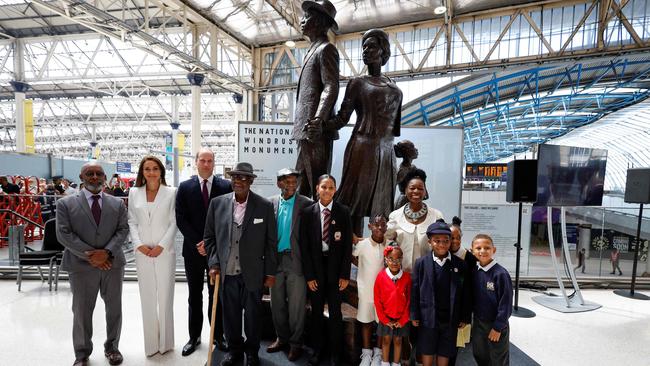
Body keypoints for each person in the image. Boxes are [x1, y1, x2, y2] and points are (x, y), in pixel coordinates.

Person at [327, 28, 402, 236]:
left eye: (372, 46)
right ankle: (351, 250)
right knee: (355, 204)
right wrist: (321, 124)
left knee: (382, 207)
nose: (366, 51)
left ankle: (382, 254)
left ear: (383, 51)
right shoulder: (357, 83)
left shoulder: (395, 88)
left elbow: (394, 129)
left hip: (386, 152)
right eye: (364, 47)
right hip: (362, 147)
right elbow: (342, 118)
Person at [55, 162, 129, 366]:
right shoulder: (65, 204)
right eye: (90, 173)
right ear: (81, 176)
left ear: (105, 178)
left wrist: (106, 253)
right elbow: (63, 234)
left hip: (112, 264)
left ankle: (112, 348)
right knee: (81, 310)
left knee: (114, 308)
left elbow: (123, 230)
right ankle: (82, 353)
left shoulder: (117, 203)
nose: (94, 177)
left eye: (99, 173)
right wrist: (91, 255)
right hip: (80, 266)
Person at [205, 162, 278, 366]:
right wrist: (213, 262)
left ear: (251, 181)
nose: (238, 181)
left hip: (253, 273)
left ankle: (252, 352)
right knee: (230, 316)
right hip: (226, 274)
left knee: (253, 317)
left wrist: (270, 272)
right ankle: (235, 351)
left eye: (244, 178)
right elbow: (210, 238)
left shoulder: (264, 206)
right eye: (235, 177)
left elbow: (271, 242)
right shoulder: (217, 204)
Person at [175, 147, 232, 355]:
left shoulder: (226, 186)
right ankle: (194, 337)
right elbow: (181, 218)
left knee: (216, 295)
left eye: (210, 161)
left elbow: (228, 219)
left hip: (217, 253)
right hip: (193, 251)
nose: (206, 164)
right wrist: (198, 242)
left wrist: (211, 245)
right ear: (196, 162)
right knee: (194, 295)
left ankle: (218, 336)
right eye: (203, 160)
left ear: (214, 163)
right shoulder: (184, 187)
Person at [299, 174, 353, 366]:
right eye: (324, 187)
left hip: (336, 270)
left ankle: (335, 353)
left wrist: (345, 274)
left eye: (331, 188)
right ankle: (316, 350)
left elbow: (347, 247)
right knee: (316, 312)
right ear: (317, 188)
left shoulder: (343, 212)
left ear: (335, 190)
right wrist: (310, 275)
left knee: (336, 313)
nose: (327, 191)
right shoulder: (307, 213)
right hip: (316, 269)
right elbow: (303, 247)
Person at [127, 156, 178, 356]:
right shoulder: (133, 192)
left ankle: (166, 343)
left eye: (155, 168)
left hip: (164, 252)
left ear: (161, 172)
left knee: (165, 297)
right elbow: (131, 221)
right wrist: (138, 245)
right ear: (142, 172)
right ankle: (150, 345)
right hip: (142, 253)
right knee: (147, 298)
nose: (151, 172)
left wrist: (162, 246)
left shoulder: (171, 192)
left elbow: (175, 222)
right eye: (147, 169)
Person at [293, 0, 340, 198]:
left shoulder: (326, 49)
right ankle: (303, 227)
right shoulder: (311, 51)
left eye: (308, 16)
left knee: (317, 186)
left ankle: (319, 226)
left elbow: (331, 85)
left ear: (321, 22)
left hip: (315, 130)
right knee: (302, 183)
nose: (302, 20)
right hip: (306, 129)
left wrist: (318, 119)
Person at [266, 168, 312, 361]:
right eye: (287, 182)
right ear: (279, 183)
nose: (292, 185)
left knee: (296, 307)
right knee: (276, 304)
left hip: (296, 261)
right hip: (275, 261)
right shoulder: (269, 203)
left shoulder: (307, 204)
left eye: (294, 182)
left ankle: (296, 343)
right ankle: (281, 338)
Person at [410, 220, 471, 366]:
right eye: (437, 241)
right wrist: (414, 314)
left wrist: (464, 316)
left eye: (446, 240)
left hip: (450, 319)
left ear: (451, 242)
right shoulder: (421, 263)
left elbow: (465, 294)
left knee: (445, 352)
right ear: (430, 242)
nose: (442, 244)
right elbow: (415, 290)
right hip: (427, 318)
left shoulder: (460, 265)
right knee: (427, 351)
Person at [386, 169, 444, 273]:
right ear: (405, 190)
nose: (416, 191)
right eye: (412, 188)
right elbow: (386, 242)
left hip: (429, 274)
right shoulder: (395, 216)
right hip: (401, 275)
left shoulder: (437, 216)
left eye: (420, 188)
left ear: (425, 191)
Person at [471, 234, 512, 366]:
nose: (482, 251)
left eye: (487, 248)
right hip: (478, 323)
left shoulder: (500, 274)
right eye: (478, 248)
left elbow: (505, 304)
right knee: (480, 354)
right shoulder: (474, 271)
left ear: (493, 250)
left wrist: (498, 327)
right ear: (472, 251)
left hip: (495, 325)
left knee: (498, 357)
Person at [353, 214, 389, 366]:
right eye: (376, 224)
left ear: (387, 227)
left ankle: (378, 353)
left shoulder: (389, 245)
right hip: (366, 290)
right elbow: (352, 256)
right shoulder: (363, 245)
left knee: (381, 323)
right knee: (366, 322)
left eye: (383, 225)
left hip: (384, 294)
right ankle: (366, 353)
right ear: (370, 227)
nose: (380, 228)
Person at [374, 245, 411, 366]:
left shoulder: (406, 278)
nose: (394, 262)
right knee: (385, 340)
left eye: (398, 259)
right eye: (391, 259)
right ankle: (385, 363)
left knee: (398, 341)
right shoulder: (381, 277)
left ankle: (396, 363)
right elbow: (377, 300)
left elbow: (409, 300)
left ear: (402, 259)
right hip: (386, 318)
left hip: (401, 319)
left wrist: (403, 319)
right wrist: (384, 319)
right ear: (385, 259)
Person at [448, 216, 475, 365]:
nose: (455, 241)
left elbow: (470, 290)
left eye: (458, 238)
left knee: (455, 346)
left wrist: (466, 316)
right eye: (451, 238)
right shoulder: (443, 255)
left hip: (461, 309)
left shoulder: (469, 259)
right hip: (446, 310)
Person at [394, 140, 419, 209]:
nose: (416, 149)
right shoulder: (403, 170)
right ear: (407, 152)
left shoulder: (412, 167)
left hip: (411, 200)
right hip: (404, 202)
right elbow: (394, 183)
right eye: (413, 147)